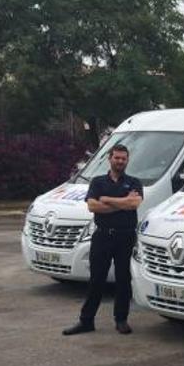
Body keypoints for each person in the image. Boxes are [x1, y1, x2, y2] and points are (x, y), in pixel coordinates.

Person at [63, 144, 143, 336]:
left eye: (123, 158)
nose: (120, 161)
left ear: (127, 160)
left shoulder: (134, 182)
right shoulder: (97, 182)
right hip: (102, 236)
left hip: (125, 236)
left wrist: (106, 199)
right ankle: (86, 321)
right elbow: (92, 206)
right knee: (96, 279)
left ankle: (121, 320)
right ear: (110, 158)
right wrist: (121, 203)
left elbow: (134, 203)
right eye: (117, 158)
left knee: (123, 279)